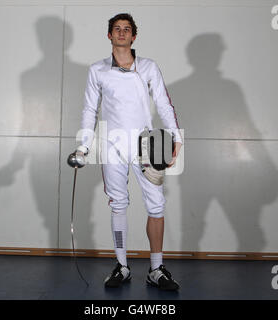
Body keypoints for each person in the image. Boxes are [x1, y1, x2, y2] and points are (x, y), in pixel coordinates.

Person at [72, 13, 183, 291]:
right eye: (117, 29)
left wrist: (176, 138)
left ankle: (156, 269)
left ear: (134, 36)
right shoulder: (97, 70)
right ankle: (121, 266)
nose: (122, 33)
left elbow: (163, 103)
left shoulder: (148, 67)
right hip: (113, 146)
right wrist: (84, 145)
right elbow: (89, 109)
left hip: (147, 145)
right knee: (118, 205)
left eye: (127, 29)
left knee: (156, 205)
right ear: (109, 35)